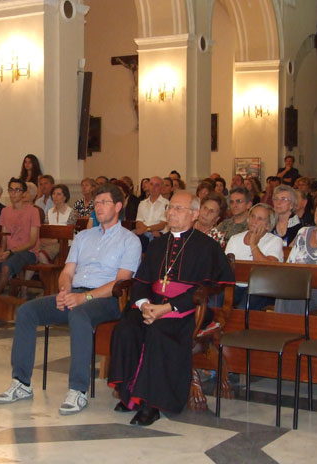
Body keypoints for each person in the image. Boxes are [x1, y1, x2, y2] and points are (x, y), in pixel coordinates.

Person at [0, 184, 141, 415]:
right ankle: (21, 383)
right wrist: (64, 290)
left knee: (79, 314)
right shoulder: (84, 236)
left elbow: (120, 282)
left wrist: (84, 297)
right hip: (76, 293)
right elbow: (68, 271)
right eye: (97, 203)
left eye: (104, 203)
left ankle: (78, 390)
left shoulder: (129, 240)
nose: (98, 207)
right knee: (27, 311)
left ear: (119, 206)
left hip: (108, 299)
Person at [108, 191, 234, 425]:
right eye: (171, 208)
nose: (172, 212)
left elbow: (205, 288)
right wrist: (144, 305)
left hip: (188, 311)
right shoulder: (158, 244)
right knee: (126, 328)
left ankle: (152, 403)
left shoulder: (207, 247)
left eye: (178, 208)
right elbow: (143, 282)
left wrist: (167, 308)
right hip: (152, 305)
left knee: (159, 332)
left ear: (194, 214)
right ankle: (129, 395)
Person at [225, 203, 284, 309]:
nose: (254, 221)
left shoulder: (275, 241)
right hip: (235, 286)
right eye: (252, 216)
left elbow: (268, 270)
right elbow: (225, 266)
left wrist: (253, 244)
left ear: (268, 225)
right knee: (213, 301)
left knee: (242, 309)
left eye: (260, 219)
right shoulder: (235, 239)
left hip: (261, 289)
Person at [0, 178, 41, 293]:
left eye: (17, 190)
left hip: (29, 252)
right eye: (11, 190)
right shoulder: (5, 211)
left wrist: (10, 252)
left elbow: (32, 242)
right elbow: (4, 236)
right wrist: (1, 251)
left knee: (6, 268)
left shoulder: (33, 211)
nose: (13, 193)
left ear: (24, 193)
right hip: (10, 252)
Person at [38, 184, 78, 264]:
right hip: (50, 241)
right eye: (53, 194)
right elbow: (46, 231)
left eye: (58, 194)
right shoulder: (49, 211)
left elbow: (69, 232)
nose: (55, 196)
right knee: (32, 253)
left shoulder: (71, 212)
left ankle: (51, 275)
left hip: (65, 243)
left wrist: (55, 240)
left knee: (41, 255)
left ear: (65, 197)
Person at [135, 176, 168, 251]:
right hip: (144, 232)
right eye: (151, 184)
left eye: (157, 185)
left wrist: (147, 229)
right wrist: (146, 230)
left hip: (158, 233)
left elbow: (162, 225)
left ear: (162, 188)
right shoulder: (142, 203)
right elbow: (138, 222)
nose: (153, 187)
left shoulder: (166, 203)